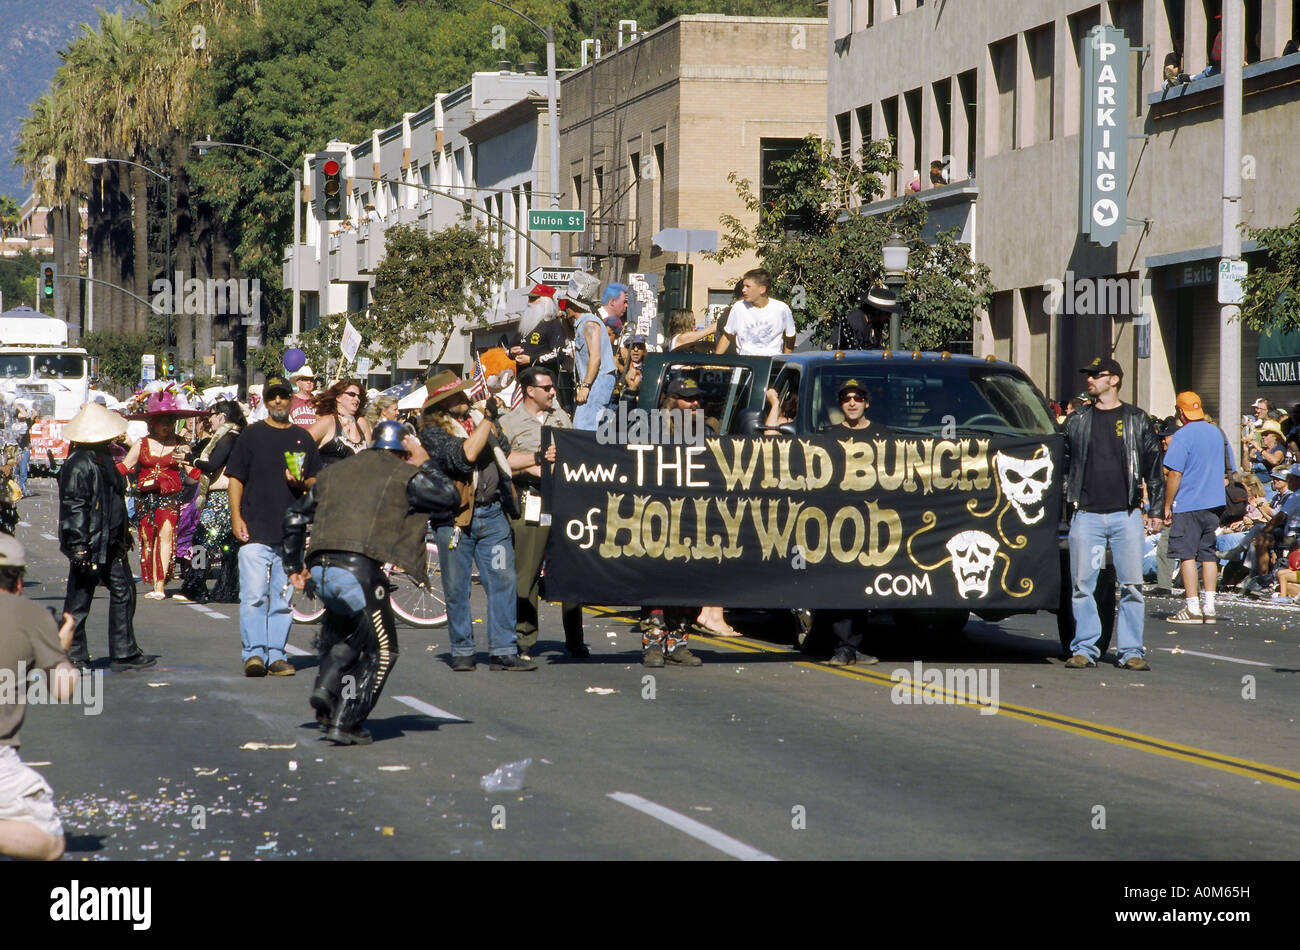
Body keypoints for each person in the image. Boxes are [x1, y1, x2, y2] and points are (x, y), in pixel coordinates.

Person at [282, 420, 459, 745]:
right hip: (359, 571)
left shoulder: (336, 472)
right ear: (402, 448)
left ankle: (327, 694)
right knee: (384, 650)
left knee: (345, 636)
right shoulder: (402, 473)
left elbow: (293, 517)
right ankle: (346, 722)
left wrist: (293, 565)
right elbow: (449, 498)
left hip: (320, 569)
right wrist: (425, 459)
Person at [418, 370, 532, 670]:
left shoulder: (479, 421)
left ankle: (504, 649)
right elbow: (464, 457)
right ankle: (463, 651)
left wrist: (538, 458)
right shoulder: (432, 432)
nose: (464, 399)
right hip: (456, 519)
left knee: (502, 580)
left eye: (462, 394)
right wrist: (490, 420)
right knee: (457, 588)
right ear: (440, 405)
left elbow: (505, 454)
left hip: (493, 513)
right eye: (455, 397)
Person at [1062, 357, 1164, 671]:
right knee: (1083, 586)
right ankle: (1085, 648)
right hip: (1087, 515)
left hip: (1126, 515)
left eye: (1097, 375)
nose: (1090, 380)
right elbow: (1061, 464)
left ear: (1115, 380)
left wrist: (1156, 509)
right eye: (1089, 375)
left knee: (1132, 585)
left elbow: (1154, 467)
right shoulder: (1077, 419)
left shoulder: (1136, 418)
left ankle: (1131, 651)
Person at [225, 375, 323, 677]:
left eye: (282, 396)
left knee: (282, 600)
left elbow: (315, 481)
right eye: (272, 397)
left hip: (289, 534)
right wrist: (235, 516)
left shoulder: (302, 438)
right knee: (253, 596)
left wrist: (301, 481)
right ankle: (254, 654)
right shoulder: (251, 435)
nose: (278, 401)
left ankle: (277, 655)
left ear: (291, 399)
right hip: (254, 529)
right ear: (265, 401)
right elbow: (235, 479)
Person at [58, 403, 157, 672]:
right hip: (89, 542)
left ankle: (124, 652)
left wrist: (123, 534)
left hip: (111, 541)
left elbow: (114, 500)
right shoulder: (79, 464)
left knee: (125, 592)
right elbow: (74, 507)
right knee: (78, 601)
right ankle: (71, 654)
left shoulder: (103, 460)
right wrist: (78, 546)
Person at [501, 366, 589, 661]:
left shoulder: (560, 417)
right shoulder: (510, 422)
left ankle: (575, 640)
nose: (553, 392)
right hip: (531, 499)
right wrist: (532, 464)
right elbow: (502, 460)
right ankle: (524, 638)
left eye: (553, 388)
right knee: (526, 572)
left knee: (571, 569)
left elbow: (576, 450)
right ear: (529, 391)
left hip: (563, 499)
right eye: (547, 388)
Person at [0, 536, 79, 861]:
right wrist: (59, 647)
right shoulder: (29, 614)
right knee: (50, 842)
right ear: (18, 581)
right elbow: (64, 689)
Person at [824, 379, 885, 666]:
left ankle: (854, 645)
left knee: (864, 589)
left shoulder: (884, 437)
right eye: (847, 398)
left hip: (874, 524)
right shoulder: (828, 437)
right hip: (839, 525)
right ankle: (843, 647)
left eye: (857, 398)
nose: (852, 403)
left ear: (866, 403)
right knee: (841, 587)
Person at [122, 390, 204, 601]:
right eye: (162, 420)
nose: (166, 424)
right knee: (148, 539)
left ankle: (160, 585)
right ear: (153, 422)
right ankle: (154, 578)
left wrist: (207, 472)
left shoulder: (180, 444)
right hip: (145, 498)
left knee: (166, 537)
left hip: (170, 498)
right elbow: (125, 465)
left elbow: (192, 473)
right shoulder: (142, 443)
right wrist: (100, 469)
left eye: (170, 420)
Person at [1163, 391, 1234, 625]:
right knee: (1208, 554)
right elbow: (1229, 467)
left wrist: (1167, 504)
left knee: (1186, 554)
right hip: (1214, 502)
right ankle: (1210, 607)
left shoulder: (1182, 435)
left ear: (1181, 412)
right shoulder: (1216, 432)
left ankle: (1193, 607)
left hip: (1188, 502)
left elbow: (1174, 472)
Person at [180, 399, 246, 603]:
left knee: (201, 542)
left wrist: (191, 459)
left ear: (222, 417)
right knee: (227, 546)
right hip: (228, 498)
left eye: (212, 416)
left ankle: (195, 585)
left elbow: (212, 465)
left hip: (221, 499)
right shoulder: (237, 436)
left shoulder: (229, 438)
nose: (210, 421)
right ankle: (227, 589)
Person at [566, 273, 619, 431]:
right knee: (586, 425)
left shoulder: (590, 324)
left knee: (583, 426)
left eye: (565, 304)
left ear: (574, 305)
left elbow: (595, 357)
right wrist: (564, 321)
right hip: (595, 381)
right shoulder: (582, 324)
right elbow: (573, 338)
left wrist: (586, 386)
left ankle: (586, 455)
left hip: (598, 380)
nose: (563, 307)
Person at [715, 268, 796, 356]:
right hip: (744, 364)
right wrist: (715, 361)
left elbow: (790, 336)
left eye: (748, 286)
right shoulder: (738, 307)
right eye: (743, 286)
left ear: (762, 289)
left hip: (771, 365)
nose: (743, 290)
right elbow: (727, 336)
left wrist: (785, 361)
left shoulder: (782, 309)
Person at [308, 379, 371, 465]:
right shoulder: (327, 421)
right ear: (338, 397)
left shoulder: (362, 423)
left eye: (359, 396)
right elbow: (300, 444)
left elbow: (371, 458)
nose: (356, 399)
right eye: (352, 394)